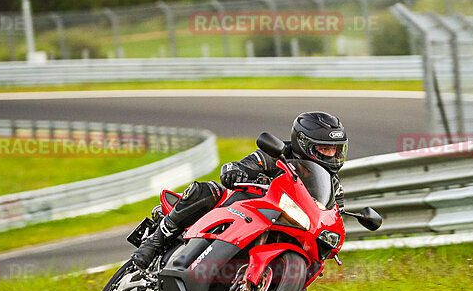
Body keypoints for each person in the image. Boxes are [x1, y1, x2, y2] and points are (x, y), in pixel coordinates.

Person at [131, 111, 348, 273]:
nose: (331, 155)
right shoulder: (277, 154)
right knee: (207, 191)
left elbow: (331, 214)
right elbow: (243, 166)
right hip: (243, 210)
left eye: (335, 150)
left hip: (286, 225)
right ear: (304, 144)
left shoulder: (332, 186)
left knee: (316, 260)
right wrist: (237, 172)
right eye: (325, 149)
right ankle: (155, 241)